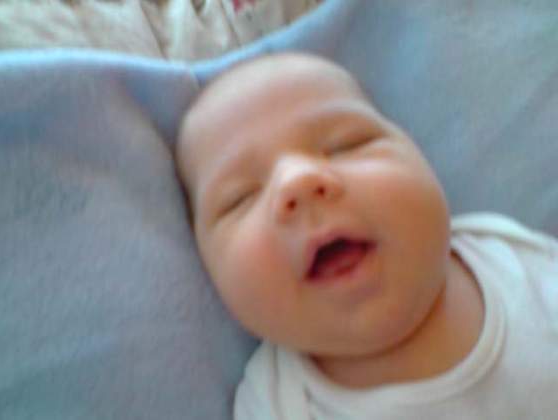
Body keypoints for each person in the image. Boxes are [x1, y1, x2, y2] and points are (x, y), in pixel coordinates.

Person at [175, 53, 558, 419]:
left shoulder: (514, 259)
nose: (298, 180)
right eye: (241, 198)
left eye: (346, 145)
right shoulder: (276, 405)